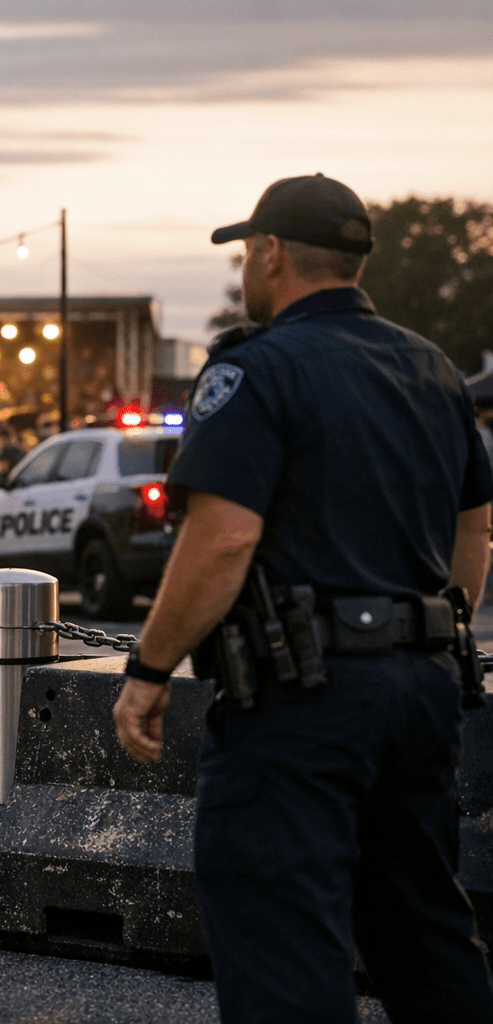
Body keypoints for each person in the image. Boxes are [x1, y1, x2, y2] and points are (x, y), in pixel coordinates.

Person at [112, 174, 493, 1021]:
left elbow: (223, 540)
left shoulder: (257, 369)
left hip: (301, 700)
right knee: (425, 931)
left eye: (249, 252)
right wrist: (426, 635)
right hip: (424, 690)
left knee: (284, 936)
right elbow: (476, 532)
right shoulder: (431, 368)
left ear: (272, 254)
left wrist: (150, 668)